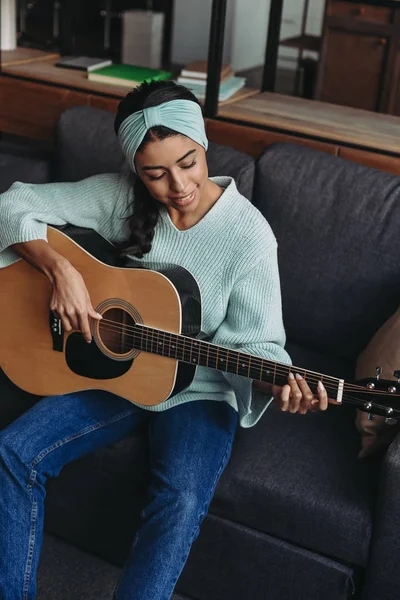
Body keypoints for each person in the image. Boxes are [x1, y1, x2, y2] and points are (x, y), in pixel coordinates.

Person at [0, 80, 328, 600]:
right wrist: (60, 268)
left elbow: (259, 344)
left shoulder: (248, 236)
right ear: (136, 170)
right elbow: (11, 204)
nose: (178, 185)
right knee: (13, 452)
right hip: (115, 374)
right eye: (155, 174)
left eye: (189, 162)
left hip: (198, 391)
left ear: (204, 145)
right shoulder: (118, 197)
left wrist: (277, 381)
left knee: (179, 501)